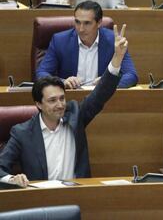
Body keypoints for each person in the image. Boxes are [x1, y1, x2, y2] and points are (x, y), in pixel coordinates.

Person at [0, 23, 129, 187]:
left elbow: (101, 94)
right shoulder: (22, 133)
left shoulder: (76, 115)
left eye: (62, 98)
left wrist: (117, 58)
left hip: (77, 195)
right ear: (38, 104)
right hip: (41, 200)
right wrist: (12, 179)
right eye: (52, 100)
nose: (60, 104)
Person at [36, 0, 138, 89]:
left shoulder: (113, 41)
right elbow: (41, 74)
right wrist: (63, 82)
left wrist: (108, 82)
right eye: (77, 22)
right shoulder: (60, 41)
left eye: (87, 23)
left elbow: (131, 75)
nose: (81, 29)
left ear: (99, 23)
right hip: (70, 100)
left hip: (101, 99)